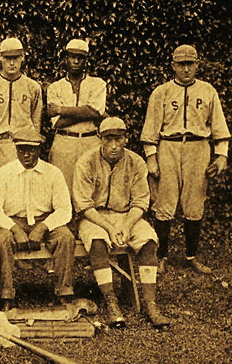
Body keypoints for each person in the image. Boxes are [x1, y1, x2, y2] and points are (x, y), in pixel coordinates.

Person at [73, 117, 171, 328]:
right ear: (100, 139)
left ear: (126, 139)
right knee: (97, 241)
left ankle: (150, 303)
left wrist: (126, 225)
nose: (114, 145)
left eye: (118, 139)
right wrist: (109, 227)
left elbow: (140, 202)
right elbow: (83, 205)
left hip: (128, 215)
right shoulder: (86, 161)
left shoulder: (136, 162)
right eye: (108, 139)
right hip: (95, 217)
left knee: (149, 240)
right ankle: (111, 302)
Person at [141, 45, 230, 275]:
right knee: (164, 203)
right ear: (173, 66)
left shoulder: (208, 91)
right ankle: (161, 257)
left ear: (198, 65)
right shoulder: (161, 92)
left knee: (194, 203)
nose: (186, 69)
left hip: (198, 148)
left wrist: (221, 156)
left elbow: (219, 127)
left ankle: (191, 256)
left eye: (191, 64)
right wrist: (151, 158)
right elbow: (150, 131)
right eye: (181, 64)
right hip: (168, 146)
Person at [0, 127, 75, 311]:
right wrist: (14, 228)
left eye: (31, 149)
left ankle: (64, 293)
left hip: (44, 220)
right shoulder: (3, 173)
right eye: (21, 149)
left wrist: (43, 227)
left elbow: (64, 210)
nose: (26, 154)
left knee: (66, 237)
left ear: (39, 149)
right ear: (15, 149)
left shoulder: (53, 173)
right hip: (13, 221)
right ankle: (6, 294)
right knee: (2, 239)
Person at [47, 38, 106, 192]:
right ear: (65, 59)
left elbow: (95, 111)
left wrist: (61, 109)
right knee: (61, 188)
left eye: (80, 58)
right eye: (72, 57)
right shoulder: (55, 87)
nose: (75, 61)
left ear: (86, 61)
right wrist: (86, 111)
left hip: (90, 140)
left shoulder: (98, 84)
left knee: (90, 187)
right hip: (64, 141)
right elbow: (57, 123)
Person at [0, 37, 43, 175]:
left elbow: (36, 122)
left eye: (16, 57)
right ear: (0, 57)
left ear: (22, 57)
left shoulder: (33, 87)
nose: (12, 63)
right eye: (8, 58)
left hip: (22, 147)